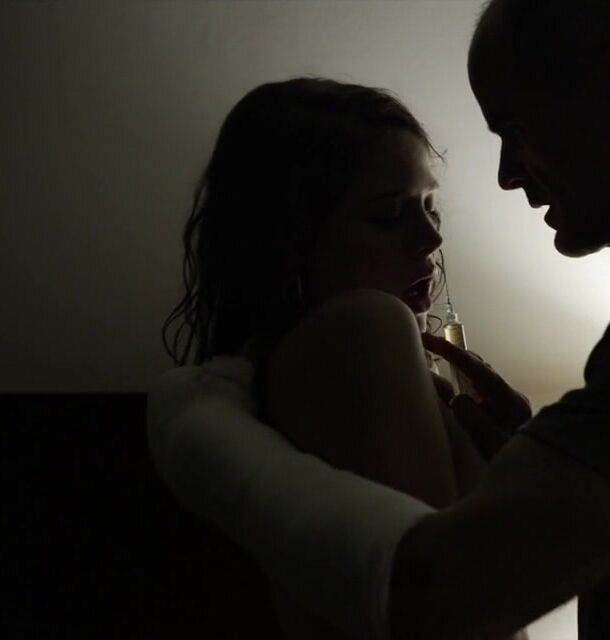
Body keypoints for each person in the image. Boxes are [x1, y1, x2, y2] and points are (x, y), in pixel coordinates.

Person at [149, 1, 610, 639]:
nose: (508, 174)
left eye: (515, 131)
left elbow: (435, 595)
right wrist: (565, 458)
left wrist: (200, 435)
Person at [157, 77, 502, 637]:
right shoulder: (365, 325)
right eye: (388, 215)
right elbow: (446, 606)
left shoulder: (276, 369)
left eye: (429, 206)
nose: (431, 239)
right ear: (290, 237)